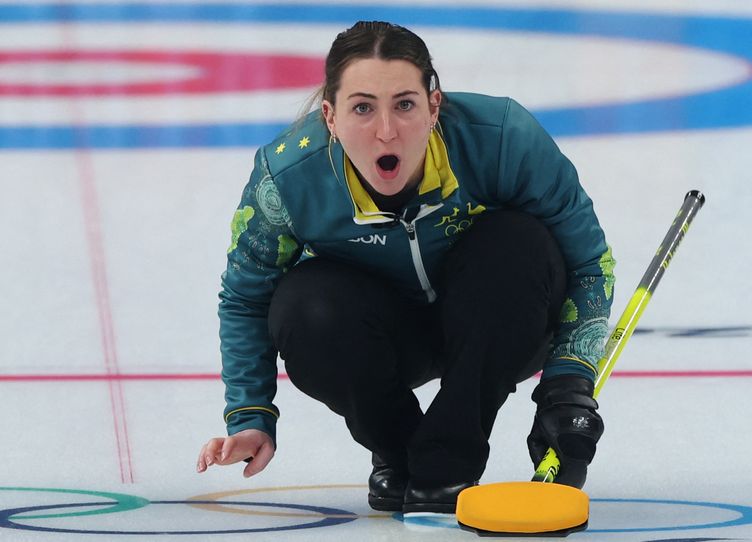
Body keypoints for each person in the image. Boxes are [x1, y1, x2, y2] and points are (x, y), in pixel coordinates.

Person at [197, 20, 615, 514]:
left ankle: (446, 462)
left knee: (517, 241)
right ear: (329, 116)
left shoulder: (503, 137)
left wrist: (567, 385)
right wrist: (250, 415)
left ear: (434, 106)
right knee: (304, 305)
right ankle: (399, 450)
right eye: (362, 108)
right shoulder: (288, 178)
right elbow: (247, 299)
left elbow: (588, 263)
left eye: (405, 104)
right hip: (385, 339)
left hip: (502, 322)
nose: (386, 131)